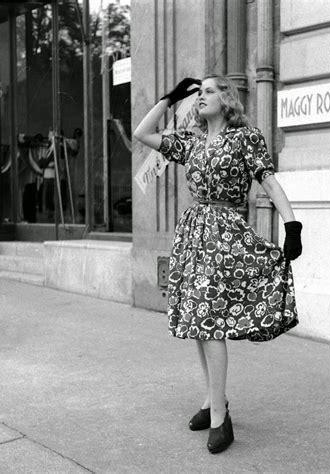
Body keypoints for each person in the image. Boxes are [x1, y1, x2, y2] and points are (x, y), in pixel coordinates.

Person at [133, 75, 303, 454]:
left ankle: (219, 418)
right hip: (193, 234)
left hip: (225, 233)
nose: (201, 97)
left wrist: (292, 224)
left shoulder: (246, 138)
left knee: (209, 321)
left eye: (209, 91)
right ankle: (215, 401)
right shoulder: (190, 141)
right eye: (199, 93)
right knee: (198, 321)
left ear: (227, 98)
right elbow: (142, 134)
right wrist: (169, 97)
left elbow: (269, 183)